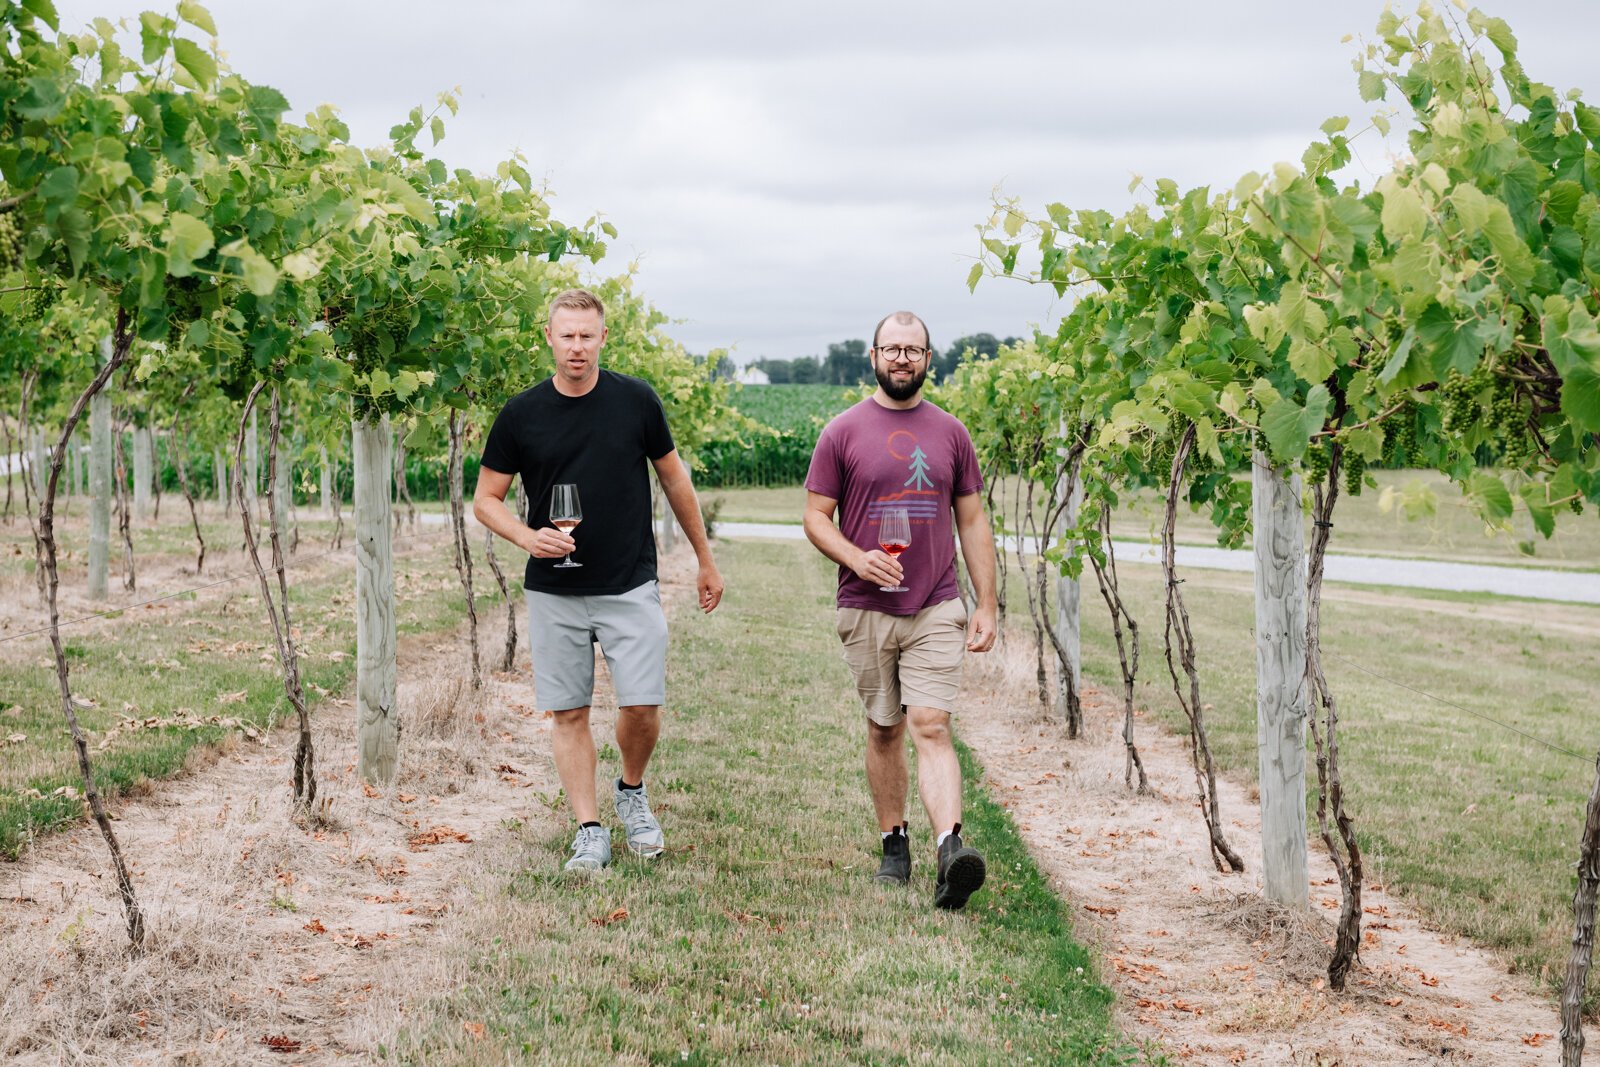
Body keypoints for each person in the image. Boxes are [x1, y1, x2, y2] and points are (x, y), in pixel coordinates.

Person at [473, 287, 724, 872]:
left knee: (642, 704)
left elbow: (675, 482)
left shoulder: (636, 402)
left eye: (588, 335)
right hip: (553, 589)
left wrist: (705, 560)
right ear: (549, 338)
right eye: (567, 335)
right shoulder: (520, 413)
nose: (577, 346)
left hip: (628, 582)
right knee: (568, 712)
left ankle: (631, 790)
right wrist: (526, 537)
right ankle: (589, 829)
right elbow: (486, 499)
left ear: (603, 338)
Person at [802, 309, 998, 910]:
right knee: (884, 727)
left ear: (929, 360)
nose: (902, 359)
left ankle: (950, 850)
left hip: (936, 602)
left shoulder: (952, 433)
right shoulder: (842, 431)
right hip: (864, 605)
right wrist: (857, 560)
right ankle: (894, 841)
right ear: (874, 357)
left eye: (913, 350)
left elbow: (971, 519)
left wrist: (985, 600)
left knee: (931, 724)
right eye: (892, 349)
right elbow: (814, 516)